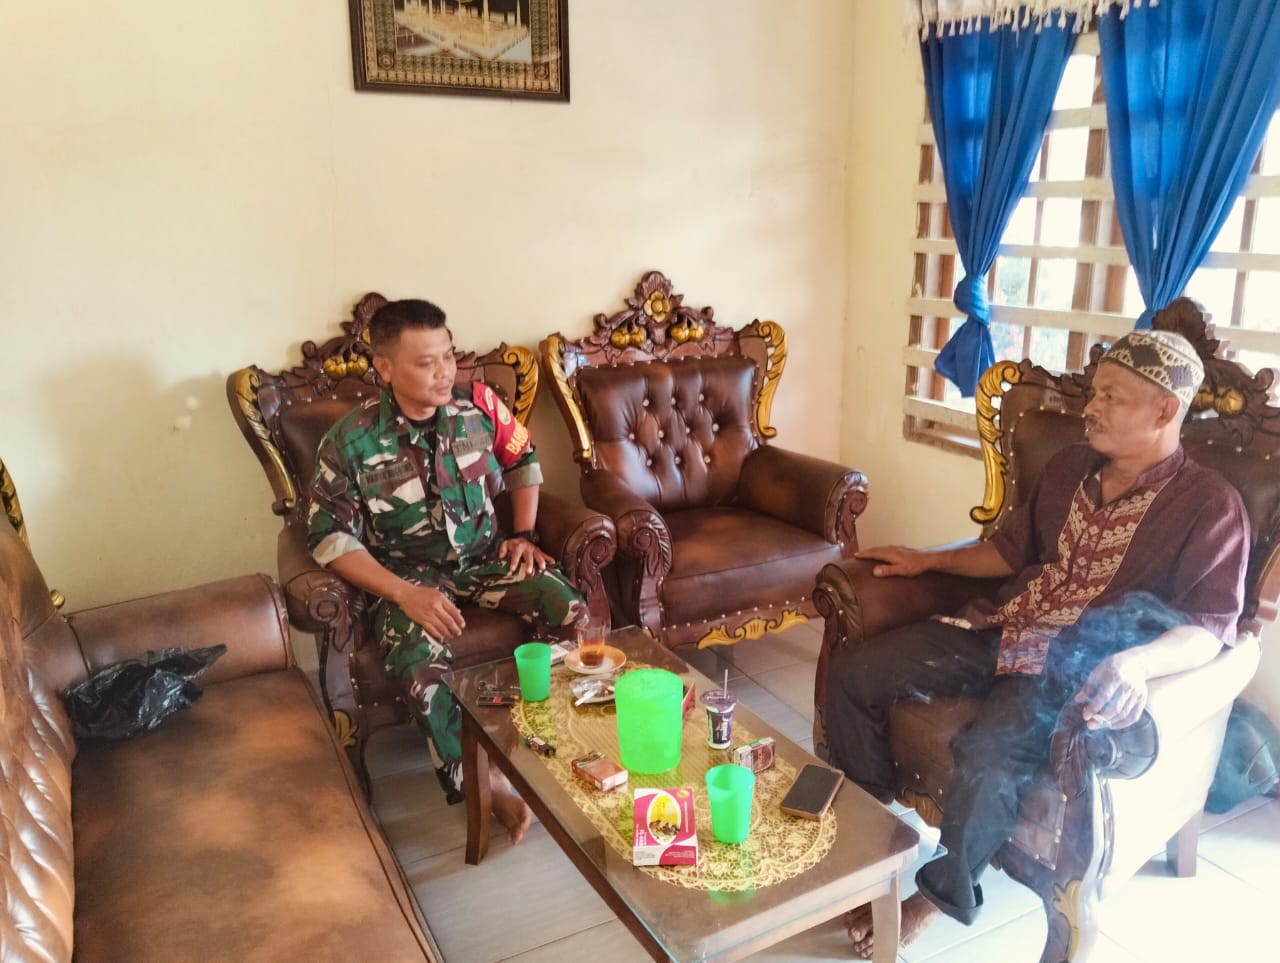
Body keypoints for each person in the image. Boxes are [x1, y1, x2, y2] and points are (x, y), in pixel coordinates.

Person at [825, 329, 1251, 957]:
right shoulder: (1071, 466)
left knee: (990, 757)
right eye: (1094, 392)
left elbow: (1209, 627)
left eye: (1110, 396)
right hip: (1001, 627)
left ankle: (938, 895)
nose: (1091, 408)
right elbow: (1007, 552)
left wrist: (1138, 663)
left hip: (1068, 671)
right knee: (855, 674)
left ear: (1165, 410)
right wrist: (926, 559)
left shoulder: (1211, 506)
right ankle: (873, 850)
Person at [307, 298, 587, 843]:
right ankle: (482, 779)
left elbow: (523, 459)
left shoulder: (478, 407)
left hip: (484, 558)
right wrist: (402, 594)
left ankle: (551, 734)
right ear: (385, 368)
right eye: (426, 362)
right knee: (416, 656)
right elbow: (328, 539)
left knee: (569, 606)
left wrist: (524, 534)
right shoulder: (349, 441)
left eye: (448, 356)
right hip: (406, 577)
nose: (444, 373)